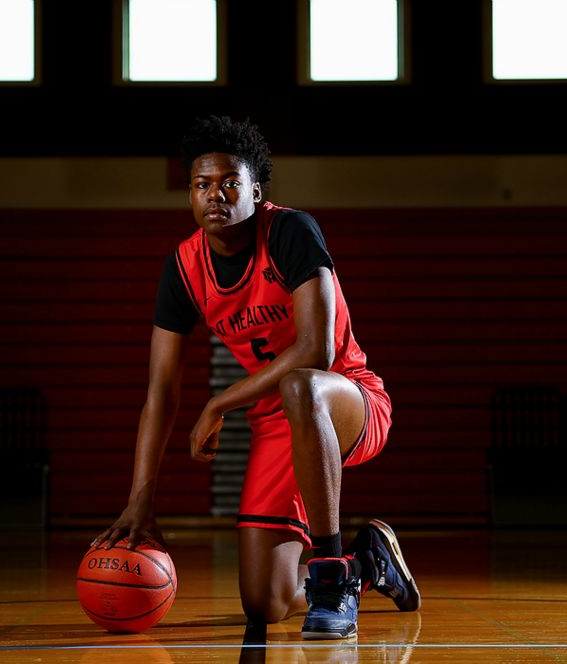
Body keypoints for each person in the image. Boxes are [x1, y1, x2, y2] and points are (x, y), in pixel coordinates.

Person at [92, 115, 420, 639]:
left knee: (301, 384)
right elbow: (161, 391)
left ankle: (333, 579)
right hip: (277, 426)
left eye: (229, 183)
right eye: (202, 185)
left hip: (349, 400)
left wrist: (220, 402)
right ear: (189, 196)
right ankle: (368, 563)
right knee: (264, 602)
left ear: (255, 191)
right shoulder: (183, 266)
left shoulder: (290, 231)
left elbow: (315, 349)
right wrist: (140, 499)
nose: (214, 194)